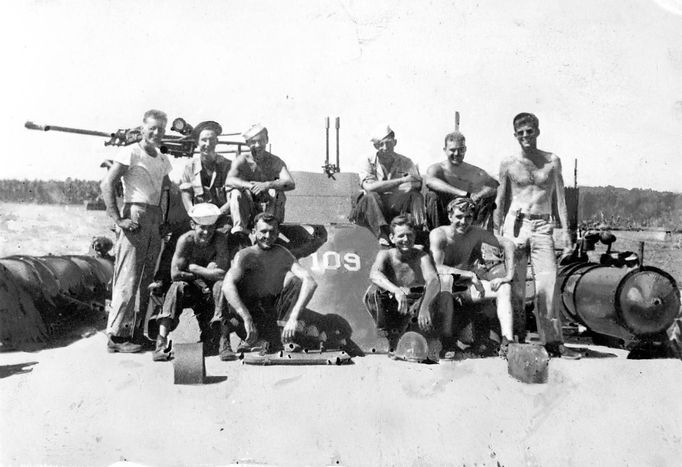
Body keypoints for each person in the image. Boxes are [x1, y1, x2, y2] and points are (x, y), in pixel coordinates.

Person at [494, 112, 580, 359]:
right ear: (515, 136)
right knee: (515, 285)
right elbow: (500, 200)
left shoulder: (552, 161)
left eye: (529, 131)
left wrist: (566, 232)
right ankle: (516, 339)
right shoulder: (508, 163)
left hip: (543, 226)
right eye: (520, 133)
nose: (525, 137)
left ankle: (553, 342)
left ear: (537, 132)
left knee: (547, 284)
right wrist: (495, 235)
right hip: (516, 225)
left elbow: (560, 198)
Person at [100, 109, 173, 353]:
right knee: (128, 277)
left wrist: (163, 220)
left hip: (154, 218)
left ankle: (135, 333)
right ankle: (116, 336)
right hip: (135, 215)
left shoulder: (163, 159)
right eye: (152, 128)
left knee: (146, 280)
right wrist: (118, 218)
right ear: (142, 128)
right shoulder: (131, 152)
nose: (156, 133)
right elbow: (108, 183)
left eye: (161, 129)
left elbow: (164, 192)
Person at [217, 213, 317, 353]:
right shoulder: (245, 255)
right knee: (228, 287)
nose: (268, 236)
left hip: (271, 311)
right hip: (248, 314)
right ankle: (240, 340)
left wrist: (293, 317)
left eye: (272, 232)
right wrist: (246, 317)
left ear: (277, 233)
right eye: (263, 231)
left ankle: (285, 336)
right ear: (254, 232)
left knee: (296, 281)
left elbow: (310, 282)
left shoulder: (282, 253)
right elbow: (227, 286)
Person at [429, 197, 515, 357]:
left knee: (504, 288)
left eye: (468, 217)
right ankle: (447, 344)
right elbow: (437, 268)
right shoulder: (439, 234)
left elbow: (508, 244)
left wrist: (508, 276)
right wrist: (468, 274)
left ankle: (507, 343)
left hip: (465, 287)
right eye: (459, 217)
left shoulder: (475, 233)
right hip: (440, 289)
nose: (463, 222)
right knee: (447, 281)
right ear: (450, 217)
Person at [152, 203, 230, 361]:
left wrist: (193, 268)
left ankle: (224, 342)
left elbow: (222, 274)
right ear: (193, 224)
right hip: (191, 287)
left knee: (221, 286)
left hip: (210, 287)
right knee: (176, 287)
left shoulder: (220, 239)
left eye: (211, 227)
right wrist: (206, 273)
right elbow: (175, 274)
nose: (207, 232)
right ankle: (161, 343)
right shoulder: (185, 240)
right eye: (202, 227)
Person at [364, 215, 441, 350]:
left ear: (414, 236)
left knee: (432, 294)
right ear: (392, 238)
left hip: (415, 308)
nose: (405, 240)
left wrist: (424, 307)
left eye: (409, 235)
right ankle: (386, 332)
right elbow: (374, 274)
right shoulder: (386, 254)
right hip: (393, 306)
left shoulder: (422, 256)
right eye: (401, 236)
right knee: (373, 292)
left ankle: (415, 334)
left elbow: (434, 281)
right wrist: (397, 290)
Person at [349, 124, 426, 246]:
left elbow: (416, 183)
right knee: (372, 196)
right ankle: (382, 234)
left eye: (388, 143)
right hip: (367, 211)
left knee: (416, 196)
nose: (385, 148)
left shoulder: (406, 162)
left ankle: (418, 231)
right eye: (380, 144)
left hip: (392, 205)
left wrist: (385, 186)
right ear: (375, 145)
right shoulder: (367, 160)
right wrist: (401, 181)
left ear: (395, 142)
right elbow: (370, 187)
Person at [225, 124, 295, 238]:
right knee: (235, 192)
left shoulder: (275, 161)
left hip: (268, 207)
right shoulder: (242, 160)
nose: (257, 145)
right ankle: (240, 231)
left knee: (276, 192)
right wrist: (249, 186)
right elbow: (229, 180)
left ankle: (269, 229)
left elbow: (290, 183)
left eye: (261, 141)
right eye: (253, 142)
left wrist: (266, 185)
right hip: (248, 207)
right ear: (247, 143)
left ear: (267, 140)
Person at [425, 130, 498, 231]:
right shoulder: (437, 168)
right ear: (445, 150)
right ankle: (437, 235)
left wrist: (477, 196)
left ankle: (476, 234)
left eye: (461, 149)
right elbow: (430, 181)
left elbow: (493, 186)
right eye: (452, 150)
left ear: (465, 149)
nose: (457, 153)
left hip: (467, 212)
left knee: (488, 197)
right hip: (444, 216)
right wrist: (462, 193)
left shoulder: (473, 170)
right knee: (432, 196)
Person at [179, 121, 232, 232]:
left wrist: (216, 215)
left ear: (217, 141)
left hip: (222, 219)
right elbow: (186, 193)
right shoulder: (190, 166)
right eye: (203, 140)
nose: (208, 144)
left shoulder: (228, 166)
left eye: (211, 140)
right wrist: (193, 213)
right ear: (197, 142)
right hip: (198, 220)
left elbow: (232, 199)